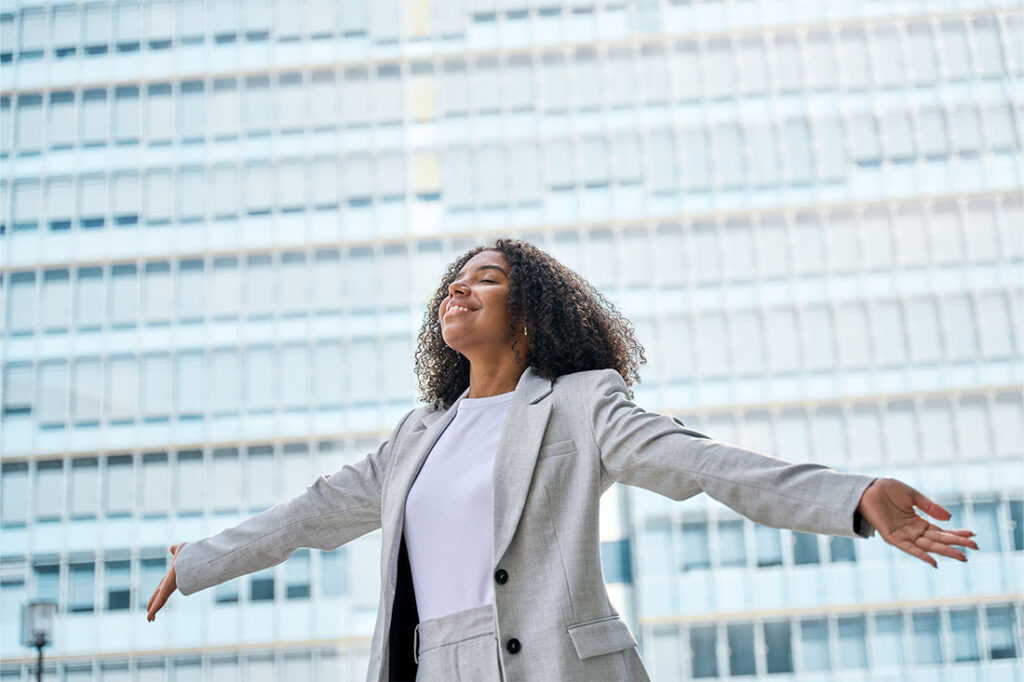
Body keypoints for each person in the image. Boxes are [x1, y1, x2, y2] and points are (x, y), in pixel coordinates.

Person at [146, 238, 976, 682]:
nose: (458, 290)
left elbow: (698, 462)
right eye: (453, 282)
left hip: (552, 663)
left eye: (487, 279)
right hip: (430, 663)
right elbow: (311, 514)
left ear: (531, 312)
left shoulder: (580, 403)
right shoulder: (417, 435)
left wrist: (853, 495)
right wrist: (199, 563)